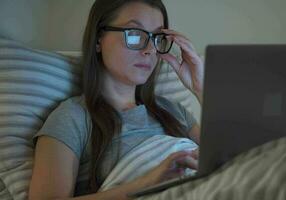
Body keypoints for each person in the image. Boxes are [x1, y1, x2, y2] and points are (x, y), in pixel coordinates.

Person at [28, 0, 204, 199]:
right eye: (135, 34)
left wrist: (199, 88)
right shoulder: (72, 118)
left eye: (157, 37)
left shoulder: (174, 111)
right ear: (98, 40)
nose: (150, 50)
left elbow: (237, 162)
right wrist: (148, 182)